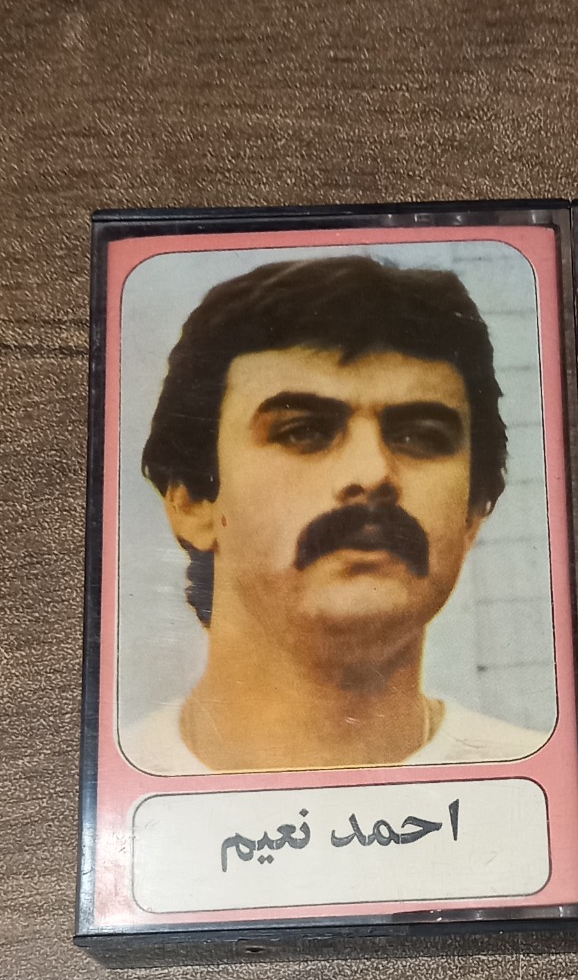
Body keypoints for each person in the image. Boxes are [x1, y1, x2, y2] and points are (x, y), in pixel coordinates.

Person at [124, 252, 548, 772]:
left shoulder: (528, 774)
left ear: (472, 513)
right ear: (194, 501)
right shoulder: (124, 781)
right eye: (303, 431)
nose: (373, 473)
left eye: (422, 436)